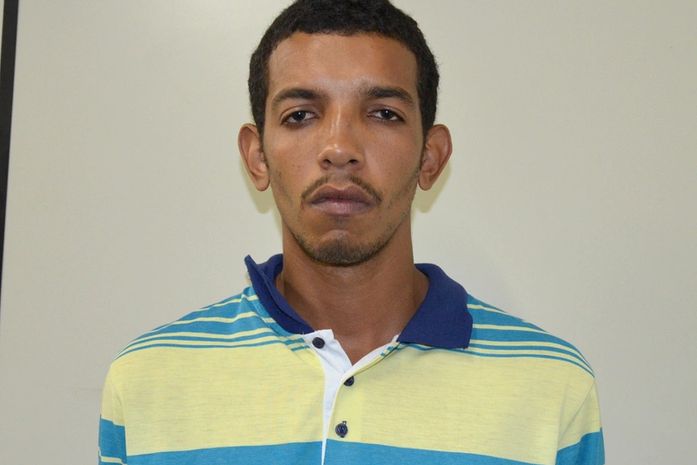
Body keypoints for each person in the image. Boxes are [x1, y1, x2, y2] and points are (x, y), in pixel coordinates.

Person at [98, 1, 604, 464]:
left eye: (383, 113)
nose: (339, 148)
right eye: (301, 115)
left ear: (430, 158)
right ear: (257, 157)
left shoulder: (551, 386)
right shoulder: (148, 382)